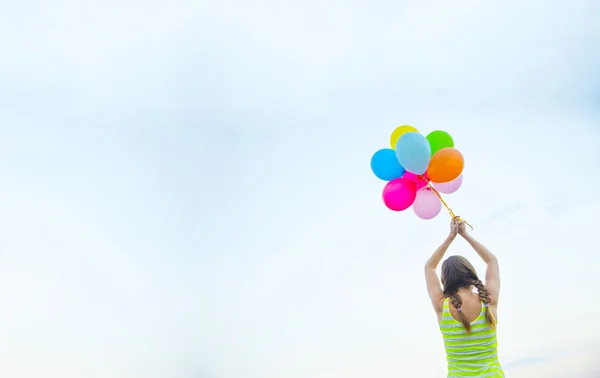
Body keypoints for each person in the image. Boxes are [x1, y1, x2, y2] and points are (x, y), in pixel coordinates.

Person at [424, 218, 504, 377]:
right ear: (470, 273)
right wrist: (465, 235)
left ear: (445, 280)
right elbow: (491, 261)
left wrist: (450, 237)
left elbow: (429, 267)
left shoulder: (442, 306)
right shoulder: (488, 300)